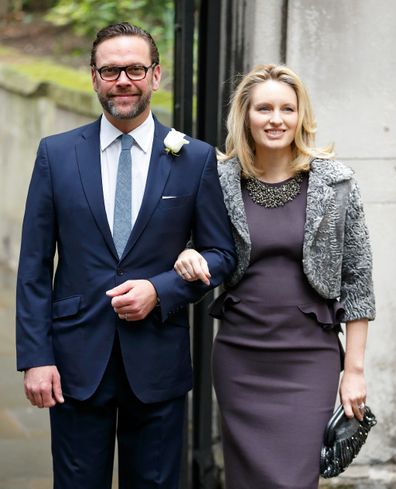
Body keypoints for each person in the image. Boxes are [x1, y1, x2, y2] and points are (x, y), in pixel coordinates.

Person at [16, 22, 236, 489]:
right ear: (94, 77)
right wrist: (36, 357)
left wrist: (162, 289)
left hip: (157, 361)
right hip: (74, 364)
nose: (123, 80)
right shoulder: (55, 155)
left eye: (135, 69)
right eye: (111, 70)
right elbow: (34, 267)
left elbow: (222, 253)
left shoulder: (193, 158)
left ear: (156, 76)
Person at [174, 64, 375, 489]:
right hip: (240, 357)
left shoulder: (336, 182)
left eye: (287, 108)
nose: (276, 119)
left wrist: (353, 371)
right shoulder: (220, 179)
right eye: (264, 108)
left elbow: (358, 281)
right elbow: (194, 244)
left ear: (301, 115)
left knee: (294, 480)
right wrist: (187, 256)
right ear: (245, 115)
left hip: (309, 358)